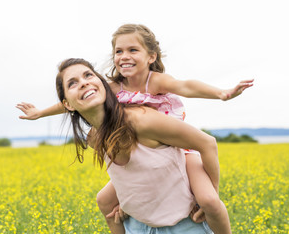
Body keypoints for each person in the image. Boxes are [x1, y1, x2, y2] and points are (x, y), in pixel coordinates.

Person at [17, 24, 253, 233]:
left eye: (132, 50)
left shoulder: (156, 81)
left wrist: (221, 94)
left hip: (179, 147)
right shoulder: (111, 87)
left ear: (151, 56)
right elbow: (72, 100)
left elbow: (187, 86)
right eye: (118, 51)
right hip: (144, 152)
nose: (123, 56)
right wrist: (40, 113)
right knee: (104, 200)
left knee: (210, 201)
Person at [55, 58, 218, 233]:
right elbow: (133, 175)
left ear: (102, 84)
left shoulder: (141, 119)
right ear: (67, 105)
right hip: (138, 225)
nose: (84, 83)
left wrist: (211, 195)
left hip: (186, 223)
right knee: (103, 200)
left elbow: (207, 143)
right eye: (72, 83)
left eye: (88, 75)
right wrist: (128, 202)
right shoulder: (94, 139)